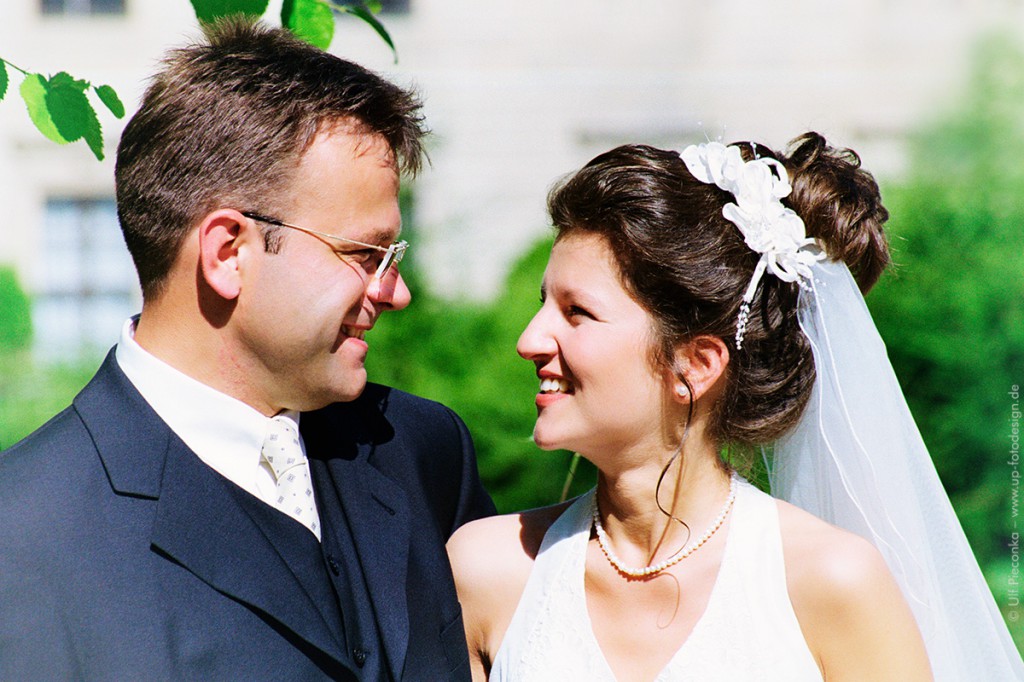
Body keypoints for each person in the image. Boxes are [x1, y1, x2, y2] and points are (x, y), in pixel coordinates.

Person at [0, 18, 494, 681]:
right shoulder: (22, 534)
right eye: (366, 255)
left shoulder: (421, 451)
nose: (395, 292)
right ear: (228, 253)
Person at [447, 134, 1024, 680]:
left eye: (577, 313)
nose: (529, 340)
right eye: (544, 303)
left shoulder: (831, 582)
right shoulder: (488, 571)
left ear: (695, 365)